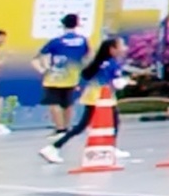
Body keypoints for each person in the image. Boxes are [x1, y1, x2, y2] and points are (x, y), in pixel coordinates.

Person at [42, 29, 128, 162]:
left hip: (96, 97)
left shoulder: (102, 62)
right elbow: (116, 83)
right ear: (112, 49)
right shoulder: (111, 64)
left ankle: (111, 147)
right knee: (85, 126)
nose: (124, 48)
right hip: (100, 99)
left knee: (111, 122)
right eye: (121, 46)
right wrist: (126, 82)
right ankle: (53, 147)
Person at [35, 13, 89, 141]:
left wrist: (43, 69)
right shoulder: (83, 41)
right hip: (73, 76)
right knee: (68, 103)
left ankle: (60, 129)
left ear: (63, 24)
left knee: (54, 103)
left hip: (55, 77)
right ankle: (67, 127)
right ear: (77, 24)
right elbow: (87, 56)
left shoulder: (57, 41)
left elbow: (41, 55)